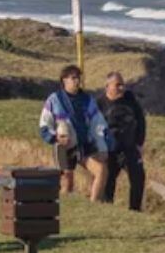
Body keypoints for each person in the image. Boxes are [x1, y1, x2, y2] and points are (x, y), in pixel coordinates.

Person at [38, 65, 112, 200]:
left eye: (78, 78)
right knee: (67, 183)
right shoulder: (54, 99)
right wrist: (55, 137)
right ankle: (65, 212)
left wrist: (102, 147)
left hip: (82, 146)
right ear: (64, 80)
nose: (77, 81)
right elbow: (44, 124)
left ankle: (93, 207)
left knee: (101, 171)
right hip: (63, 147)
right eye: (73, 78)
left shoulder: (87, 100)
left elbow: (98, 124)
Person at [97, 72, 146, 211]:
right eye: (117, 85)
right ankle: (107, 210)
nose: (121, 88)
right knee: (108, 182)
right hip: (109, 151)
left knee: (138, 178)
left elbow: (141, 121)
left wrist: (139, 143)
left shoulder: (130, 100)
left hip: (129, 149)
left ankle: (135, 210)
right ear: (107, 86)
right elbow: (92, 128)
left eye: (122, 85)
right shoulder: (99, 103)